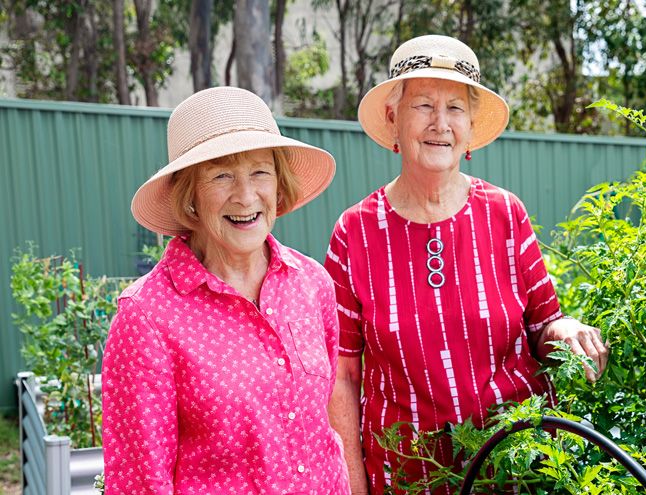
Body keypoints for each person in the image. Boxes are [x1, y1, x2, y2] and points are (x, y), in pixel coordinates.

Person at [324, 35, 610, 494]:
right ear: (393, 117)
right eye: (423, 105)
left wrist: (568, 331)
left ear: (471, 126)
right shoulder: (354, 232)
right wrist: (354, 487)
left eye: (455, 107)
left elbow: (544, 325)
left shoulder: (505, 214)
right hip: (407, 477)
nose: (440, 123)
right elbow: (343, 375)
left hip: (515, 467)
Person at [102, 86, 350, 494]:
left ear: (278, 183)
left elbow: (323, 430)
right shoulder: (147, 317)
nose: (246, 195)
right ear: (190, 196)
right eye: (221, 175)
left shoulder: (311, 283)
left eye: (260, 172)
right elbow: (140, 484)